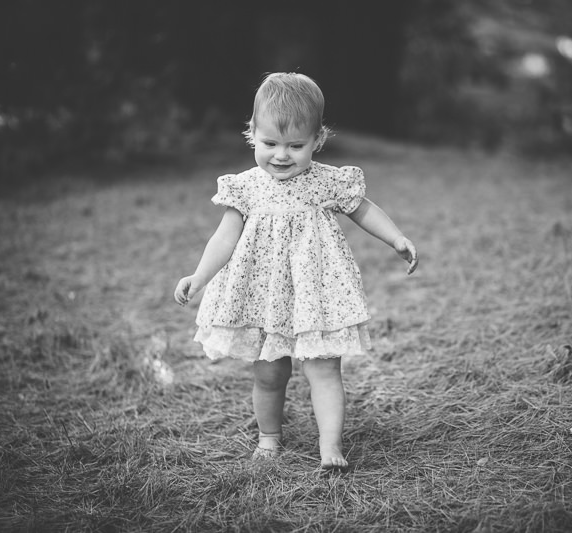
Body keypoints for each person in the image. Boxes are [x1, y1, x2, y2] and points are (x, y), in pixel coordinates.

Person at [174, 72, 418, 470]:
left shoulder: (327, 182)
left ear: (317, 140)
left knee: (323, 368)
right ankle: (269, 437)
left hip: (315, 293)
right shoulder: (246, 187)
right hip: (263, 295)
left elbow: (363, 209)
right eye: (270, 143)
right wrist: (199, 277)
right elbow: (224, 238)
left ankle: (330, 446)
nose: (281, 155)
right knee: (270, 373)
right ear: (252, 134)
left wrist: (396, 239)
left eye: (296, 145)